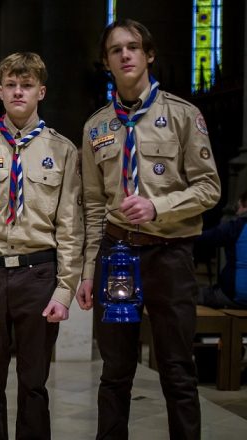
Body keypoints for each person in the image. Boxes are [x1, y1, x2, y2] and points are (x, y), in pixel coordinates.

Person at [75, 19, 220, 439]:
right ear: (107, 62)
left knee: (176, 369)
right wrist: (88, 271)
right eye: (116, 50)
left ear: (149, 54)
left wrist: (158, 206)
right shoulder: (96, 127)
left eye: (133, 47)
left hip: (169, 255)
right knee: (115, 371)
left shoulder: (183, 116)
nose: (125, 55)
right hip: (116, 254)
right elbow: (93, 207)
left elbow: (210, 188)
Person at [0, 52, 82, 439]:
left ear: (41, 91)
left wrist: (65, 289)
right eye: (12, 86)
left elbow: (70, 226)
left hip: (39, 274)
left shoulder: (63, 151)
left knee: (34, 384)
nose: (19, 92)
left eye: (27, 85)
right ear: (1, 92)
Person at [196, 190, 247, 308]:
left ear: (243, 205)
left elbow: (204, 238)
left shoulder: (236, 227)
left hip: (234, 297)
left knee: (188, 295)